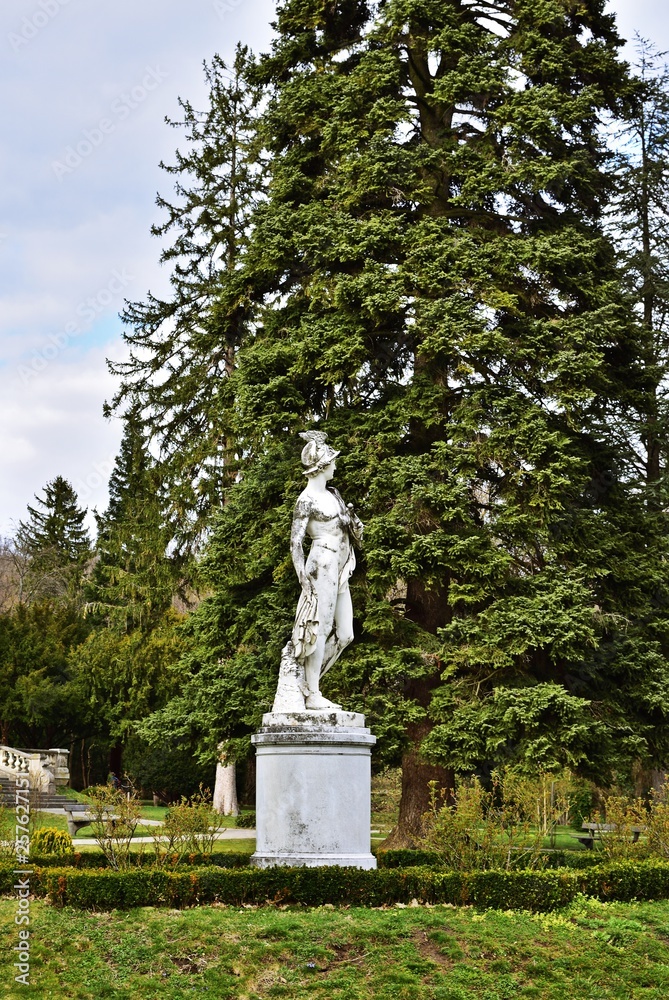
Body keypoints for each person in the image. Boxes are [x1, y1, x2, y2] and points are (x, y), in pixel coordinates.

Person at [290, 431, 363, 710]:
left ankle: (308, 683)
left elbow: (352, 531)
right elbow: (295, 542)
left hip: (341, 566)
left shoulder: (335, 495)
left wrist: (355, 523)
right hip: (320, 565)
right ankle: (312, 692)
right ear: (320, 466)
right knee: (318, 629)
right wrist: (303, 580)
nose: (335, 465)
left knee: (346, 633)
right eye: (331, 460)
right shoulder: (306, 500)